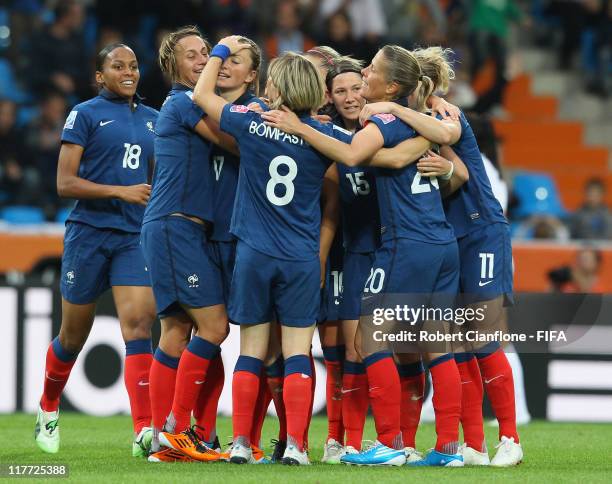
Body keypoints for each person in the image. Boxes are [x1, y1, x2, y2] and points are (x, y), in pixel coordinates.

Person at [262, 45, 468, 467]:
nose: (363, 75)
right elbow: (446, 137)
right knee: (437, 343)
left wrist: (301, 130)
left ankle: (390, 443)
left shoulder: (382, 118)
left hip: (406, 242)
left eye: (369, 71)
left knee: (369, 339)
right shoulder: (422, 120)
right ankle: (449, 446)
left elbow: (355, 154)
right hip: (441, 242)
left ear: (389, 85)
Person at [193, 37, 357, 465]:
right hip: (302, 257)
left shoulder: (250, 122)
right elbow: (357, 154)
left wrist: (220, 51)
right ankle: (299, 449)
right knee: (298, 352)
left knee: (251, 350)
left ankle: (243, 444)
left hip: (253, 253)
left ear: (279, 89)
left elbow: (201, 95)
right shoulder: (323, 134)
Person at [361, 45, 523, 466]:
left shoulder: (441, 113)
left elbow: (457, 162)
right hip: (447, 238)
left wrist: (449, 171)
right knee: (452, 342)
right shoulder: (411, 120)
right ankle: (471, 444)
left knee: (482, 336)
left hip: (480, 229)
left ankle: (509, 438)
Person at [35, 43, 159, 457]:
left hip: (132, 237)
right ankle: (48, 406)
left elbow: (156, 183)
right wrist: (119, 191)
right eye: (117, 66)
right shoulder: (84, 114)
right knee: (72, 337)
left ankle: (143, 430)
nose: (129, 72)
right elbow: (65, 183)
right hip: (88, 233)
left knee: (139, 326)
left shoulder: (155, 121)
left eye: (134, 66)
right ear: (99, 76)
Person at [140, 26, 236, 463]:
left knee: (177, 332)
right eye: (192, 56)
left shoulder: (186, 104)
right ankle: (177, 431)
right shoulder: (183, 101)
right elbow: (230, 140)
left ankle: (165, 440)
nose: (202, 61)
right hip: (176, 227)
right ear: (172, 67)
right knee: (214, 328)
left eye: (205, 53)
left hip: (179, 228)